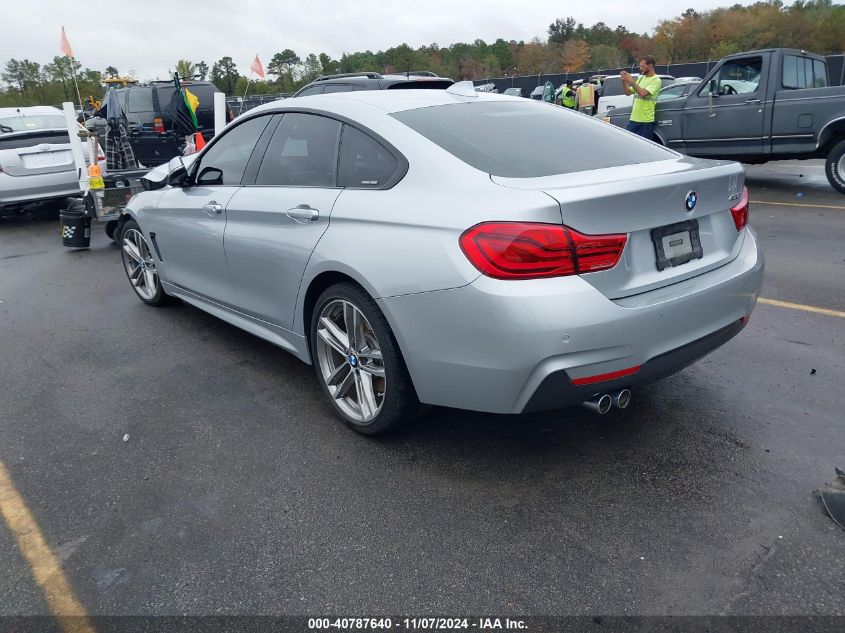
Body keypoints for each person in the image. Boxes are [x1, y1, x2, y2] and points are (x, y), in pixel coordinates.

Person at [620, 56, 662, 139]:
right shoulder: (641, 78)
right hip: (634, 119)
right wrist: (623, 81)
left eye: (643, 66)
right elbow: (627, 92)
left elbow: (643, 93)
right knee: (628, 142)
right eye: (640, 66)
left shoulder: (656, 80)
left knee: (644, 145)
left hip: (646, 122)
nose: (640, 68)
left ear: (650, 66)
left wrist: (631, 81)